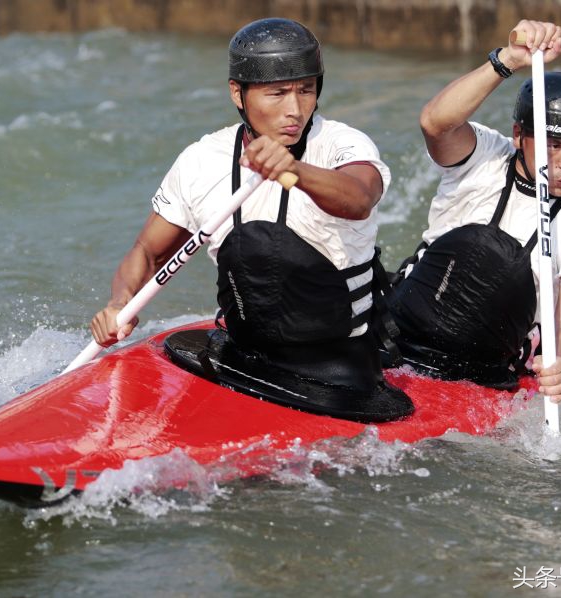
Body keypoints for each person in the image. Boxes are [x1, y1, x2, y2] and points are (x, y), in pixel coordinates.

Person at [90, 18, 412, 421]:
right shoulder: (201, 160)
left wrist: (294, 171)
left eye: (306, 90)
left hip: (338, 369)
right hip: (241, 353)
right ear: (237, 94)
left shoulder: (342, 144)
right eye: (277, 93)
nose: (294, 109)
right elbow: (147, 252)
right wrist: (121, 304)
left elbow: (359, 198)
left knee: (261, 239)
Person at [387, 20, 561, 402]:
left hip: (490, 359)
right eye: (553, 144)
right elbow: (435, 122)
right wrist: (508, 60)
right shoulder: (481, 156)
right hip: (409, 323)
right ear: (517, 135)